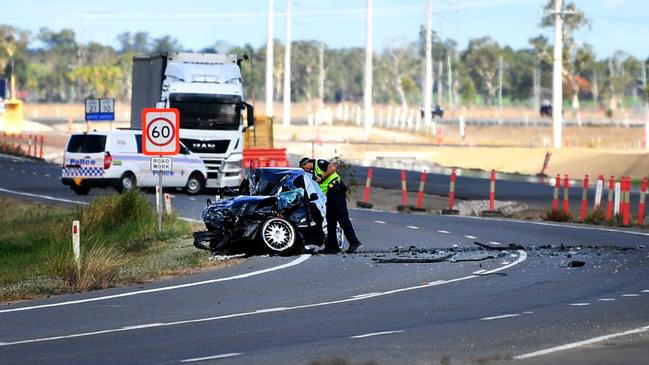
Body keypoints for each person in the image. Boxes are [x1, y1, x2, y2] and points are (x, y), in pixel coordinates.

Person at [299, 157, 363, 254]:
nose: (305, 170)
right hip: (330, 194)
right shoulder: (313, 172)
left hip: (335, 189)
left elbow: (332, 168)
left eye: (304, 167)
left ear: (307, 163)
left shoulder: (319, 163)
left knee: (342, 217)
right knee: (330, 220)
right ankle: (332, 246)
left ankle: (354, 242)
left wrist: (322, 178)